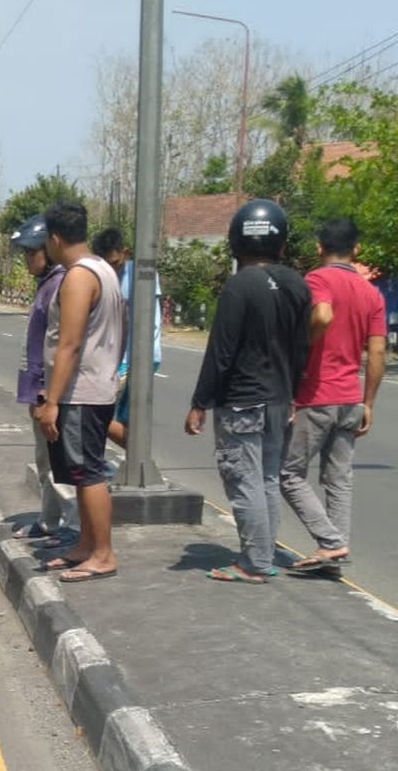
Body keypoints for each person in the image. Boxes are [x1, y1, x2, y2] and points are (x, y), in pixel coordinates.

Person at [185, 199, 310, 584]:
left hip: (242, 401)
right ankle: (264, 553)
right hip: (278, 399)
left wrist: (199, 402)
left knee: (244, 479)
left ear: (235, 243)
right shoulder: (296, 285)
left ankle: (253, 563)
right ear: (282, 242)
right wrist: (292, 392)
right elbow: (302, 347)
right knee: (268, 478)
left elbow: (221, 352)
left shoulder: (239, 286)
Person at [281, 218, 386, 574]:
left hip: (317, 393)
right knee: (339, 479)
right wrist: (367, 402)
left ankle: (331, 543)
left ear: (318, 247)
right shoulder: (372, 292)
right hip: (350, 396)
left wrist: (303, 348)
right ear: (356, 250)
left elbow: (323, 315)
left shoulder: (317, 279)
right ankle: (334, 554)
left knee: (290, 474)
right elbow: (378, 353)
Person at [35, 201, 125, 583]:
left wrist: (51, 401)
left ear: (55, 239)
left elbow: (68, 344)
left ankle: (103, 553)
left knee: (88, 473)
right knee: (81, 469)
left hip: (81, 392)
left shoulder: (77, 278)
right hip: (98, 385)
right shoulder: (105, 270)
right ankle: (88, 545)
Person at [10, 214, 79, 547]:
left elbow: (61, 345)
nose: (27, 259)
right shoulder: (46, 285)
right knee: (45, 462)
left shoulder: (63, 284)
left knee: (59, 465)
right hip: (37, 388)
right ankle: (50, 521)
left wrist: (46, 394)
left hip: (50, 390)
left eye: (31, 252)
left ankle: (74, 527)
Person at [91, 227, 162, 449]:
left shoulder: (140, 276)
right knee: (118, 417)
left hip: (136, 357)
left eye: (115, 262)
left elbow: (144, 319)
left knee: (96, 415)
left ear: (126, 252)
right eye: (106, 264)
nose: (112, 268)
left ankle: (138, 456)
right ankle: (135, 460)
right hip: (115, 358)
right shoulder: (102, 276)